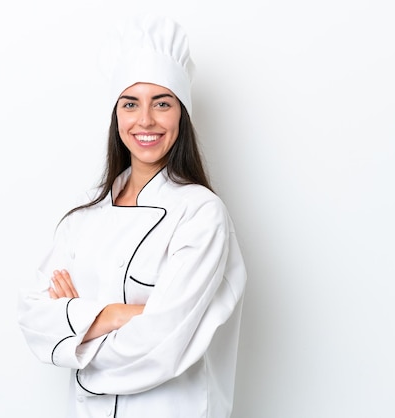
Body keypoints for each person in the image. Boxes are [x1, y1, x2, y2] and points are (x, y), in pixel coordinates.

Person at [17, 14, 247, 418]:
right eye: (130, 104)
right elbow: (34, 317)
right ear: (116, 115)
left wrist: (76, 333)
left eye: (162, 103)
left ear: (182, 115)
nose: (145, 121)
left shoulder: (199, 214)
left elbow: (162, 345)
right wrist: (120, 315)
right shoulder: (85, 215)